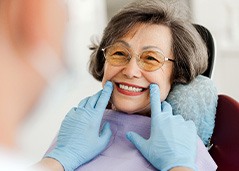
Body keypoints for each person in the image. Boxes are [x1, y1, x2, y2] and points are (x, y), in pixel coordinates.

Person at [44, 0, 217, 171]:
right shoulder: (76, 130)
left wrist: (178, 166)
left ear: (177, 73)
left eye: (150, 58)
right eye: (119, 53)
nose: (130, 71)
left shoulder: (181, 145)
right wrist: (59, 159)